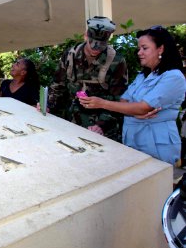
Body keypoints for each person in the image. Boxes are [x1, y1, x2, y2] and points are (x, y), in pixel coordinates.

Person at [79, 26, 186, 165]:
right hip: (133, 140)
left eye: (144, 48)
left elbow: (143, 107)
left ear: (161, 49)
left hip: (156, 145)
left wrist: (102, 103)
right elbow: (125, 100)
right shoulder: (144, 75)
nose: (139, 52)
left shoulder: (173, 77)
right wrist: (135, 112)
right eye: (139, 48)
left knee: (154, 184)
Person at [47, 16, 128, 141]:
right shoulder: (70, 56)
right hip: (70, 124)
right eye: (92, 44)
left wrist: (101, 126)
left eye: (100, 46)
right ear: (86, 36)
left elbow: (118, 99)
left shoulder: (116, 61)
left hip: (101, 130)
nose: (96, 50)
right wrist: (48, 105)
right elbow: (58, 86)